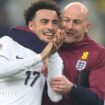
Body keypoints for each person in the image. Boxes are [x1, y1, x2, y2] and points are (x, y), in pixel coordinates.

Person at [0, 1, 64, 105]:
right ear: (31, 25)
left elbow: (55, 97)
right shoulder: (8, 42)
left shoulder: (54, 57)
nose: (50, 27)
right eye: (44, 22)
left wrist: (51, 59)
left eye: (55, 22)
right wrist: (40, 57)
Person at [42, 2, 105, 105]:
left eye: (76, 22)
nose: (70, 26)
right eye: (66, 20)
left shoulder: (99, 54)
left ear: (87, 27)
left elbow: (98, 99)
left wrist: (71, 89)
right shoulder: (44, 44)